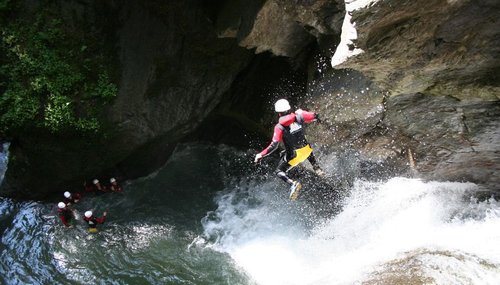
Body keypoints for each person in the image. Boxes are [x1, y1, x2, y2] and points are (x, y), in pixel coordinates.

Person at [254, 98, 325, 200]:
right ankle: (317, 168)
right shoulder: (299, 116)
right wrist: (303, 112)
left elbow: (274, 146)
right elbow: (315, 116)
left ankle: (293, 184)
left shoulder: (279, 127)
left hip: (295, 155)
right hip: (307, 150)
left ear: (278, 113)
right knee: (303, 146)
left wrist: (260, 155)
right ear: (289, 108)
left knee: (279, 171)